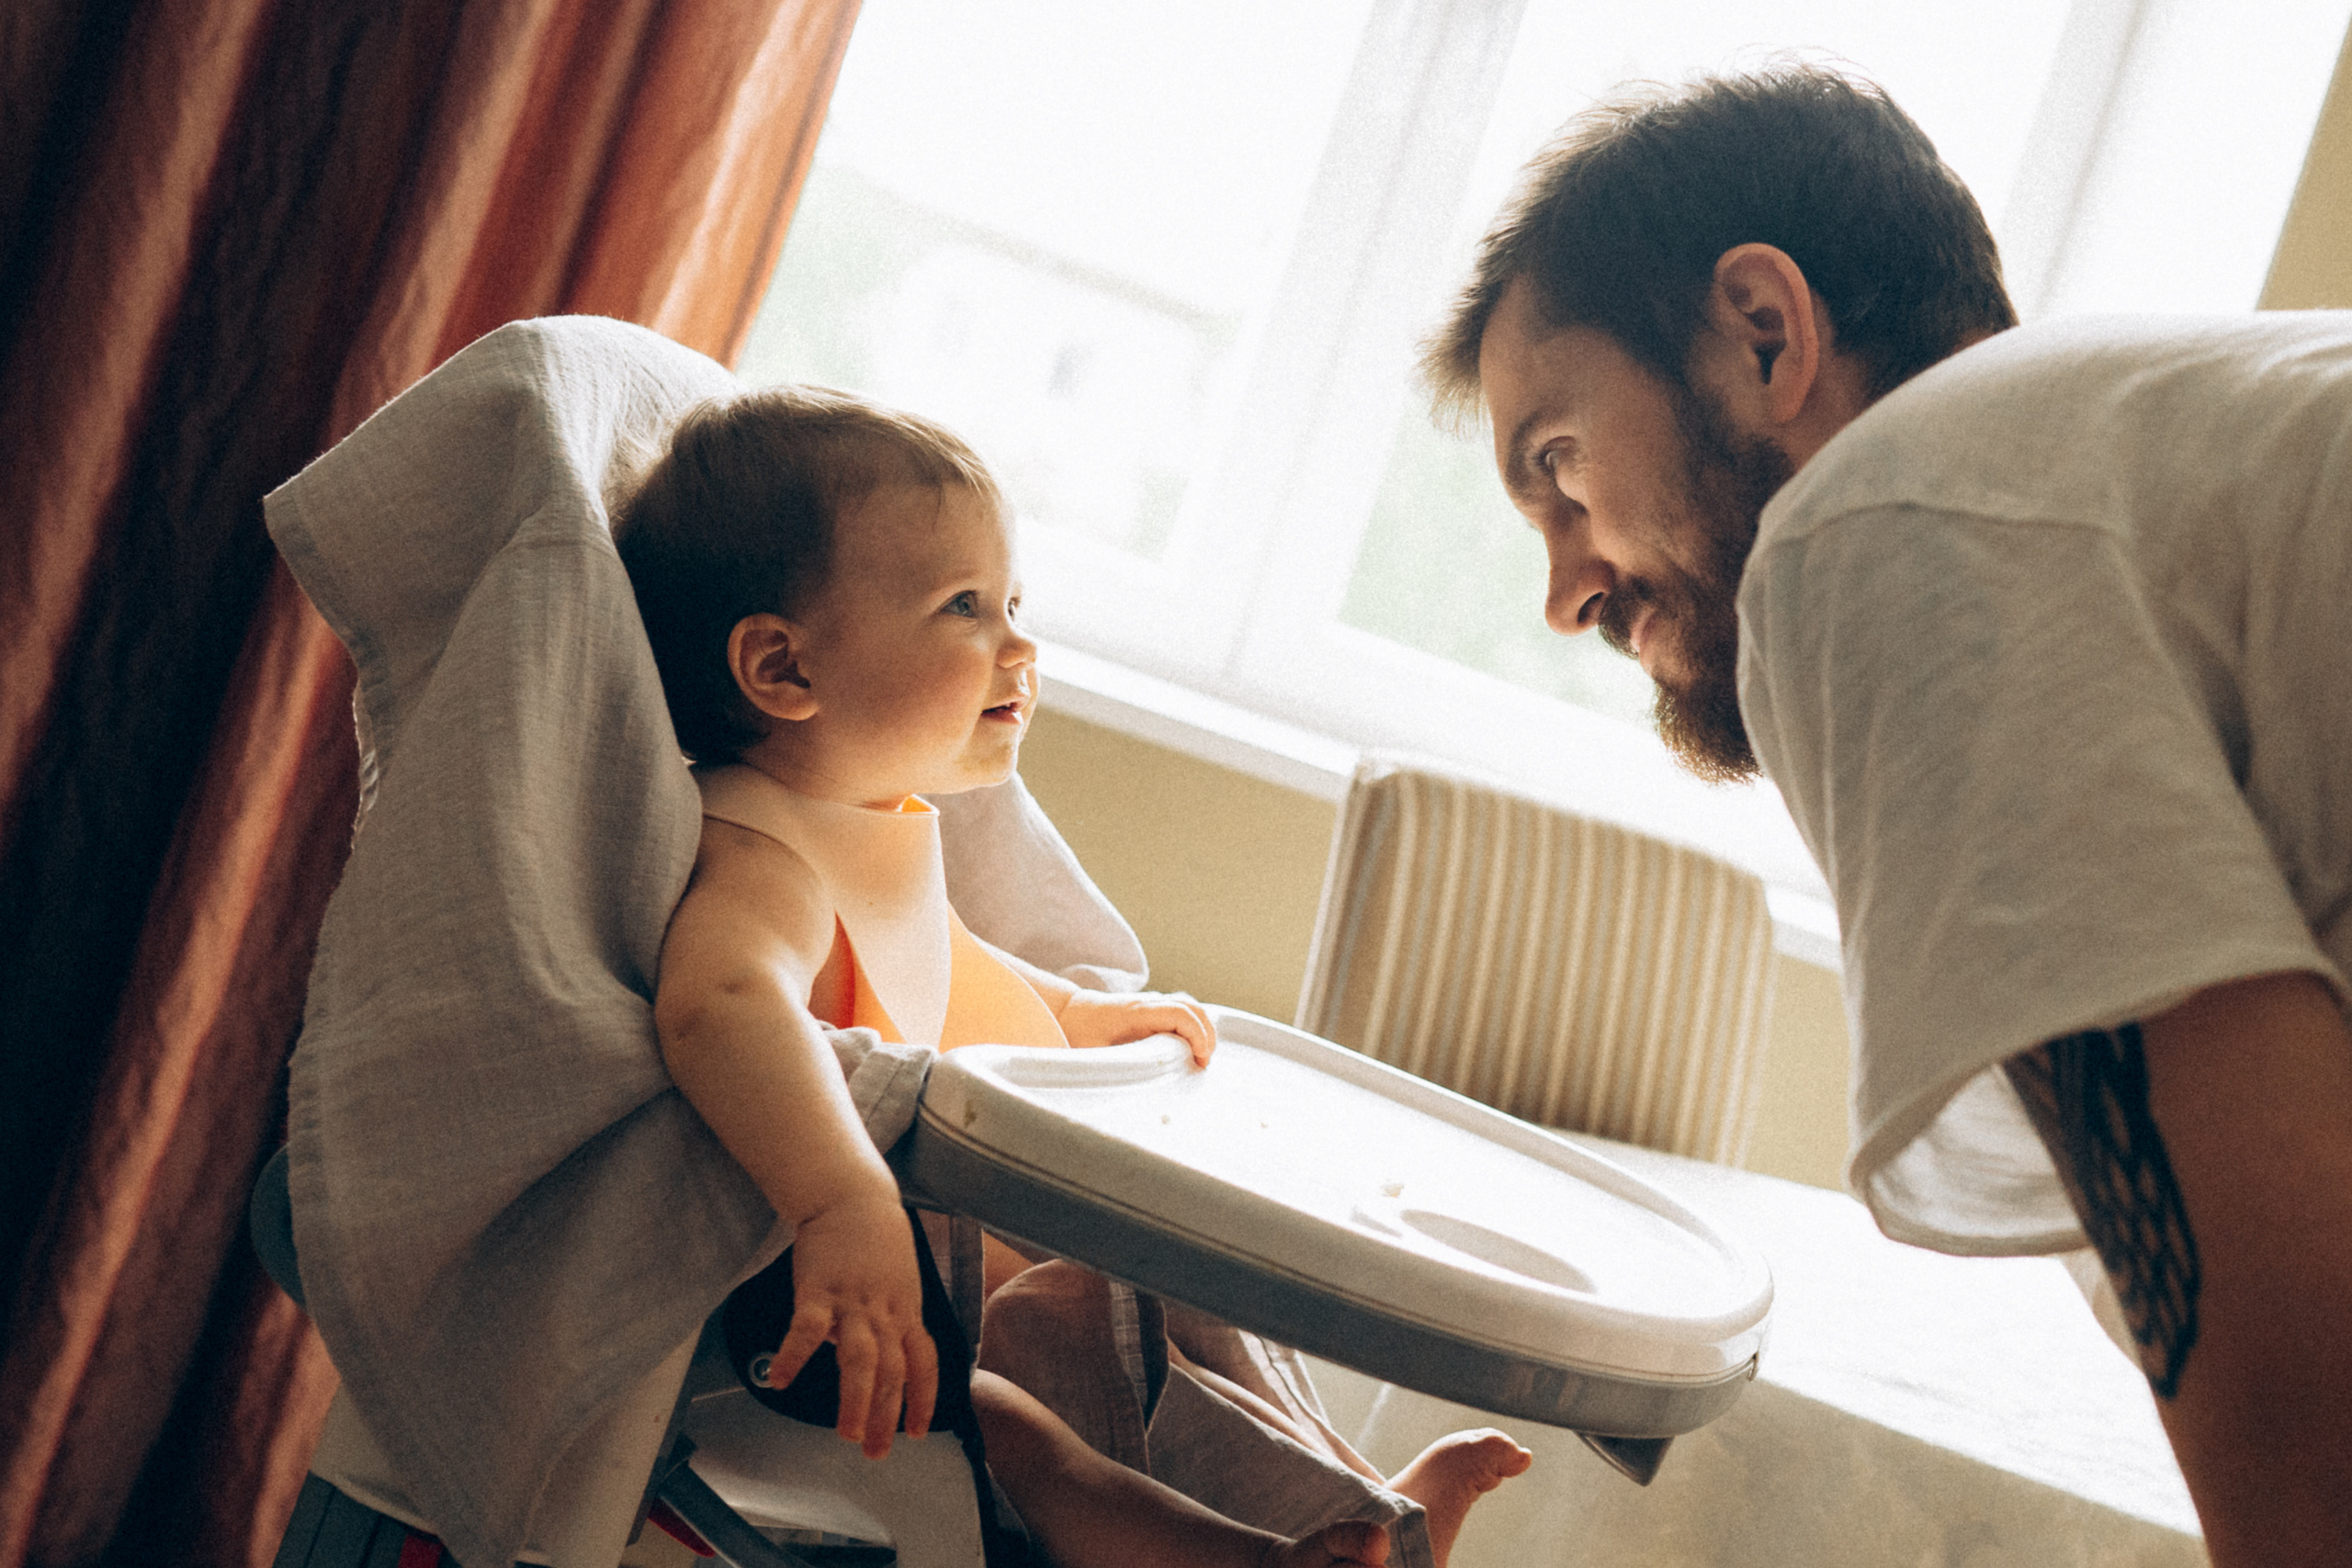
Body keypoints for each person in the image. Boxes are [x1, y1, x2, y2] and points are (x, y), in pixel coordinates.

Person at [1421, 62, 2352, 1568]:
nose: (1565, 590)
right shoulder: (2120, 444)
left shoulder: (1887, 524)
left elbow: (2318, 1478)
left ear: (1765, 331)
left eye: (1562, 468)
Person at [616, 386, 1528, 1568]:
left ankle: (1347, 1508)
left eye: (1013, 604)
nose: (1019, 645)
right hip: (825, 1321)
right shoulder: (759, 853)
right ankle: (1254, 1559)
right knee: (1026, 1441)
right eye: (963, 607)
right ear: (783, 667)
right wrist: (840, 1203)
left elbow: (941, 966)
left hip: (964, 1283)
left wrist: (1078, 1015)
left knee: (1192, 1305)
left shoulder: (869, 827)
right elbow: (721, 1007)